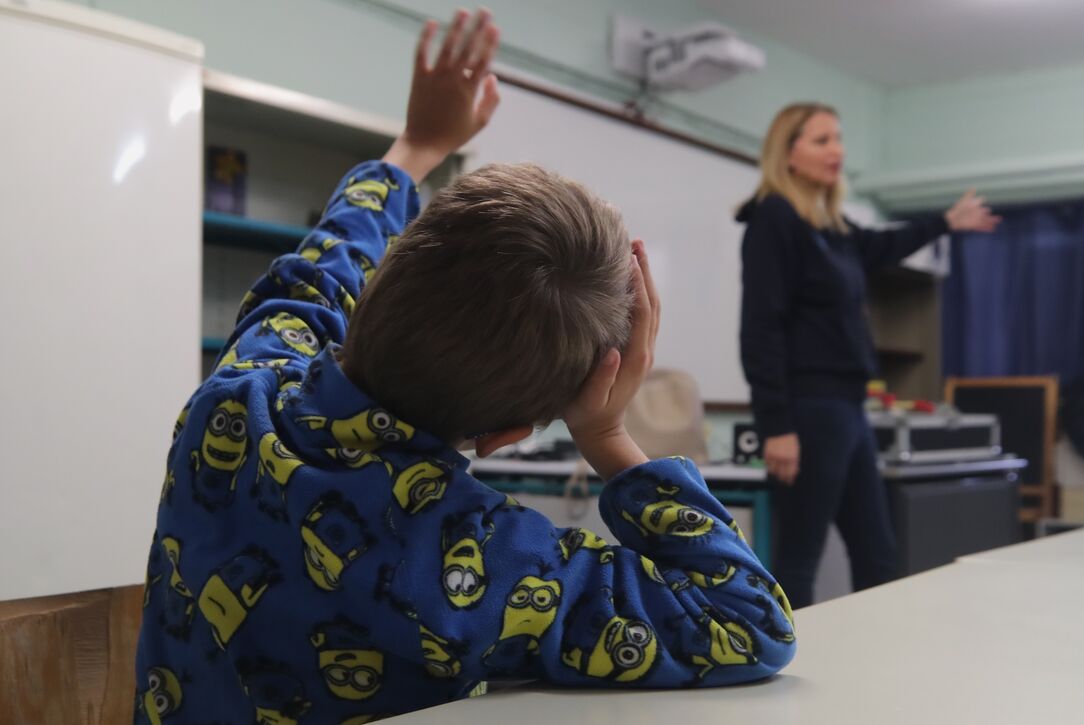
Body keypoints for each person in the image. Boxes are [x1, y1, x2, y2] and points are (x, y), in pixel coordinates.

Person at [133, 11, 794, 722]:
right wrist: (605, 433)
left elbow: (325, 260)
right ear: (508, 434)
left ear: (383, 277)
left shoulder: (239, 389)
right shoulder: (485, 560)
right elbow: (750, 621)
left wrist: (417, 146)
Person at [738, 103, 1000, 607]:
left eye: (838, 139)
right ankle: (783, 661)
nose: (837, 150)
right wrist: (776, 426)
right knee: (799, 555)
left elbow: (883, 246)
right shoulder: (774, 220)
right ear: (787, 153)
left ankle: (877, 662)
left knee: (877, 551)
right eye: (821, 140)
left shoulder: (831, 228)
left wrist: (945, 221)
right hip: (809, 409)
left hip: (848, 408)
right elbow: (760, 329)